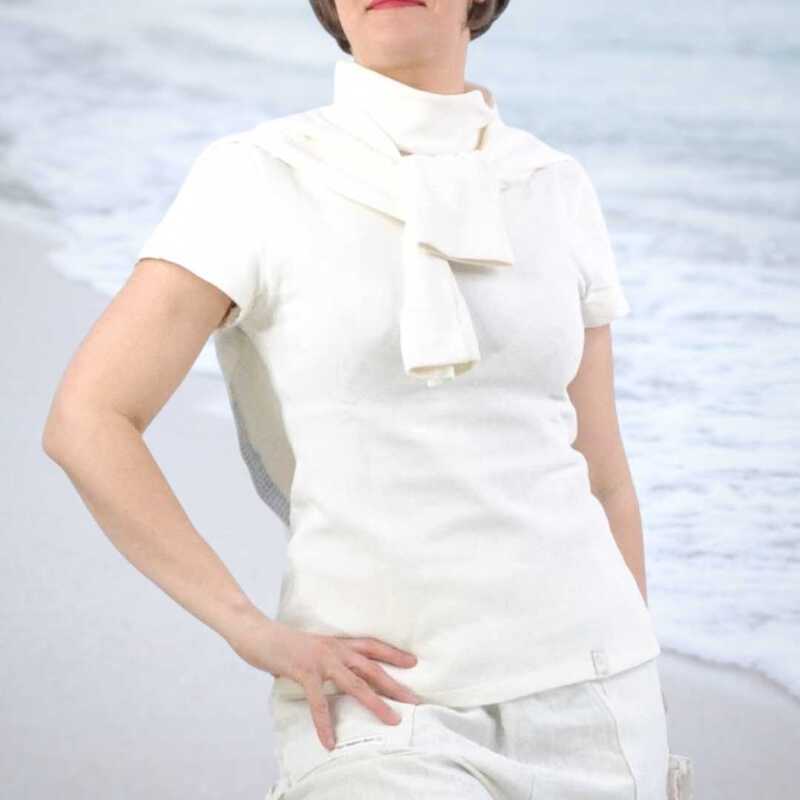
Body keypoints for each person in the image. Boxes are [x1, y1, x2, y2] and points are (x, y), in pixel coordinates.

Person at [42, 1, 693, 798]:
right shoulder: (259, 175)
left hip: (599, 693)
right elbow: (89, 419)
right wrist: (249, 629)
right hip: (383, 705)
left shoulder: (553, 184)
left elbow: (604, 477)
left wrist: (638, 665)